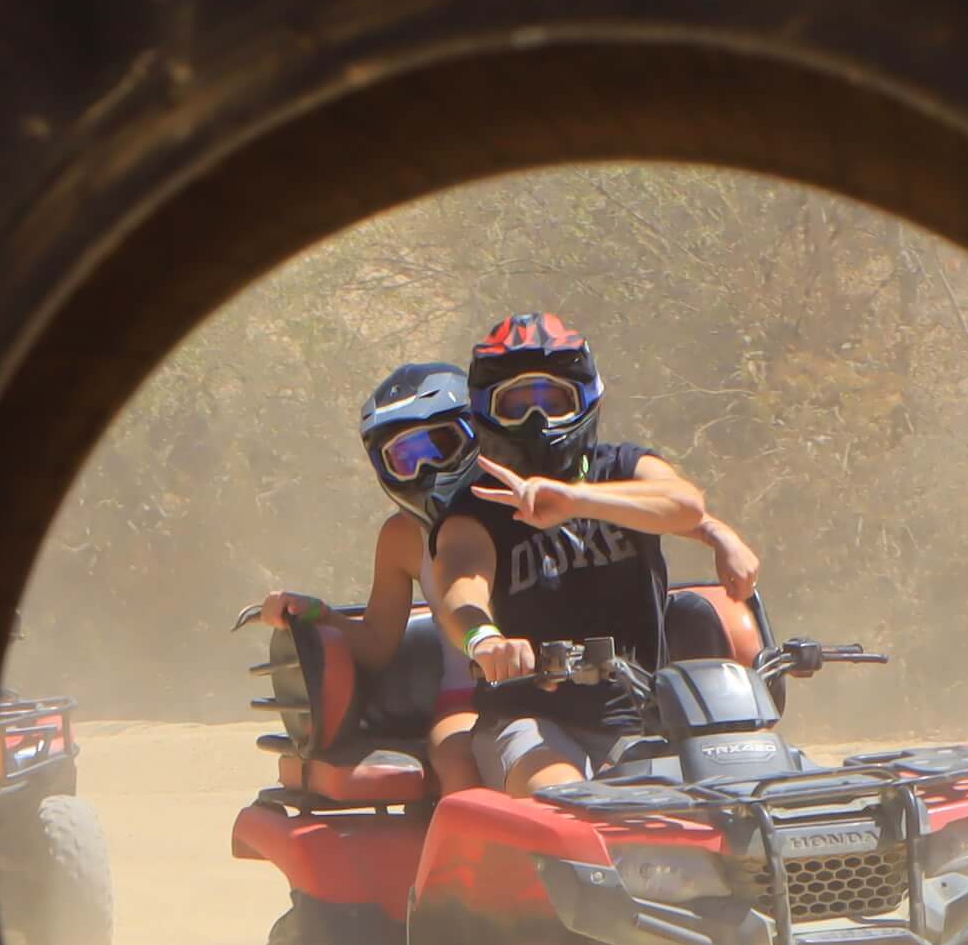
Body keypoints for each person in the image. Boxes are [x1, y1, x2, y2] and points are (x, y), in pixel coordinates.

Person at [429, 312, 747, 798]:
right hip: (529, 719)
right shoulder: (475, 508)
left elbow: (684, 505)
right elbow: (461, 589)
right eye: (516, 404)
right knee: (566, 805)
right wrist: (485, 641)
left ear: (585, 400)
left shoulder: (621, 466)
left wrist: (576, 499)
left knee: (734, 798)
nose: (536, 420)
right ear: (485, 411)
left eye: (552, 401)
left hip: (644, 718)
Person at [252, 362, 487, 794]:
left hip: (558, 689)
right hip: (467, 702)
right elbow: (377, 644)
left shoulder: (532, 507)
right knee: (458, 763)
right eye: (404, 458)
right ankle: (482, 861)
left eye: (439, 445)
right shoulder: (401, 536)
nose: (424, 471)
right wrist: (317, 613)